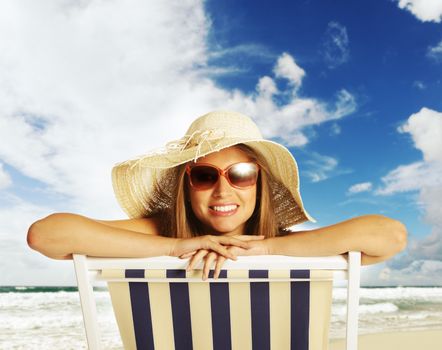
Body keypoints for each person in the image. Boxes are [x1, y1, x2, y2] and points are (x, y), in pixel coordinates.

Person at [27, 110, 407, 280]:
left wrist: (264, 249)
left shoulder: (278, 245)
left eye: (241, 174)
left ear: (259, 185)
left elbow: (389, 235)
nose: (223, 189)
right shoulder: (162, 235)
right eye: (205, 175)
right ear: (186, 186)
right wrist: (178, 246)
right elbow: (46, 234)